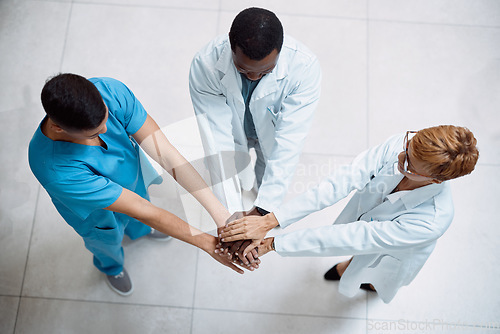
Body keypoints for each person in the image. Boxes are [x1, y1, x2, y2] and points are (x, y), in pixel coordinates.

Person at [28, 74, 254, 297]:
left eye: (106, 119)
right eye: (95, 133)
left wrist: (220, 215)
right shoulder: (55, 170)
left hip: (131, 180)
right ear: (59, 128)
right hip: (95, 214)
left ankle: (141, 232)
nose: (107, 130)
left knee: (141, 215)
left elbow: (166, 154)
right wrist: (209, 244)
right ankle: (112, 268)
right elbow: (146, 212)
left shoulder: (110, 91)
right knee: (107, 243)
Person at [219, 125, 479, 303]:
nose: (400, 155)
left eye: (408, 163)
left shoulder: (432, 220)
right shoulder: (406, 147)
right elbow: (339, 183)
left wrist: (273, 244)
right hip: (369, 225)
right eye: (408, 145)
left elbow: (355, 236)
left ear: (434, 180)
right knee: (359, 253)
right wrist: (270, 220)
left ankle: (368, 280)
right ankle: (352, 266)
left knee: (380, 272)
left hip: (399, 248)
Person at [189, 7, 321, 219]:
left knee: (267, 174)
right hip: (232, 135)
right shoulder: (205, 65)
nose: (253, 77)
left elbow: (289, 143)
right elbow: (217, 139)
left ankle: (259, 197)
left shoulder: (304, 68)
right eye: (243, 70)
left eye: (265, 71)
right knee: (232, 178)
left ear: (280, 50)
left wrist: (262, 210)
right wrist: (230, 212)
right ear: (230, 47)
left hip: (272, 136)